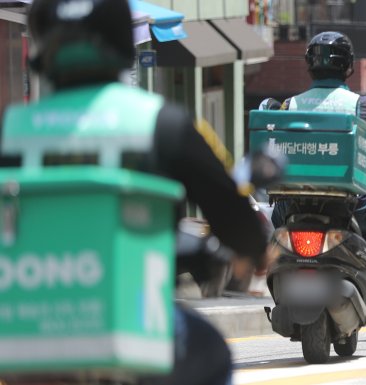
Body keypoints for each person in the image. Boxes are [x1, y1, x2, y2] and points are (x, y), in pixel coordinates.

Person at [3, 0, 269, 383]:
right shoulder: (161, 123)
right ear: (122, 42)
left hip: (28, 336)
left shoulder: (13, 129)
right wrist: (255, 251)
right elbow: (233, 216)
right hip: (133, 330)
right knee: (210, 352)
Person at [271, 31, 366, 284]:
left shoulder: (290, 104)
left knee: (277, 216)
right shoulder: (362, 105)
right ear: (348, 66)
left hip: (293, 205)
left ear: (310, 64)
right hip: (350, 206)